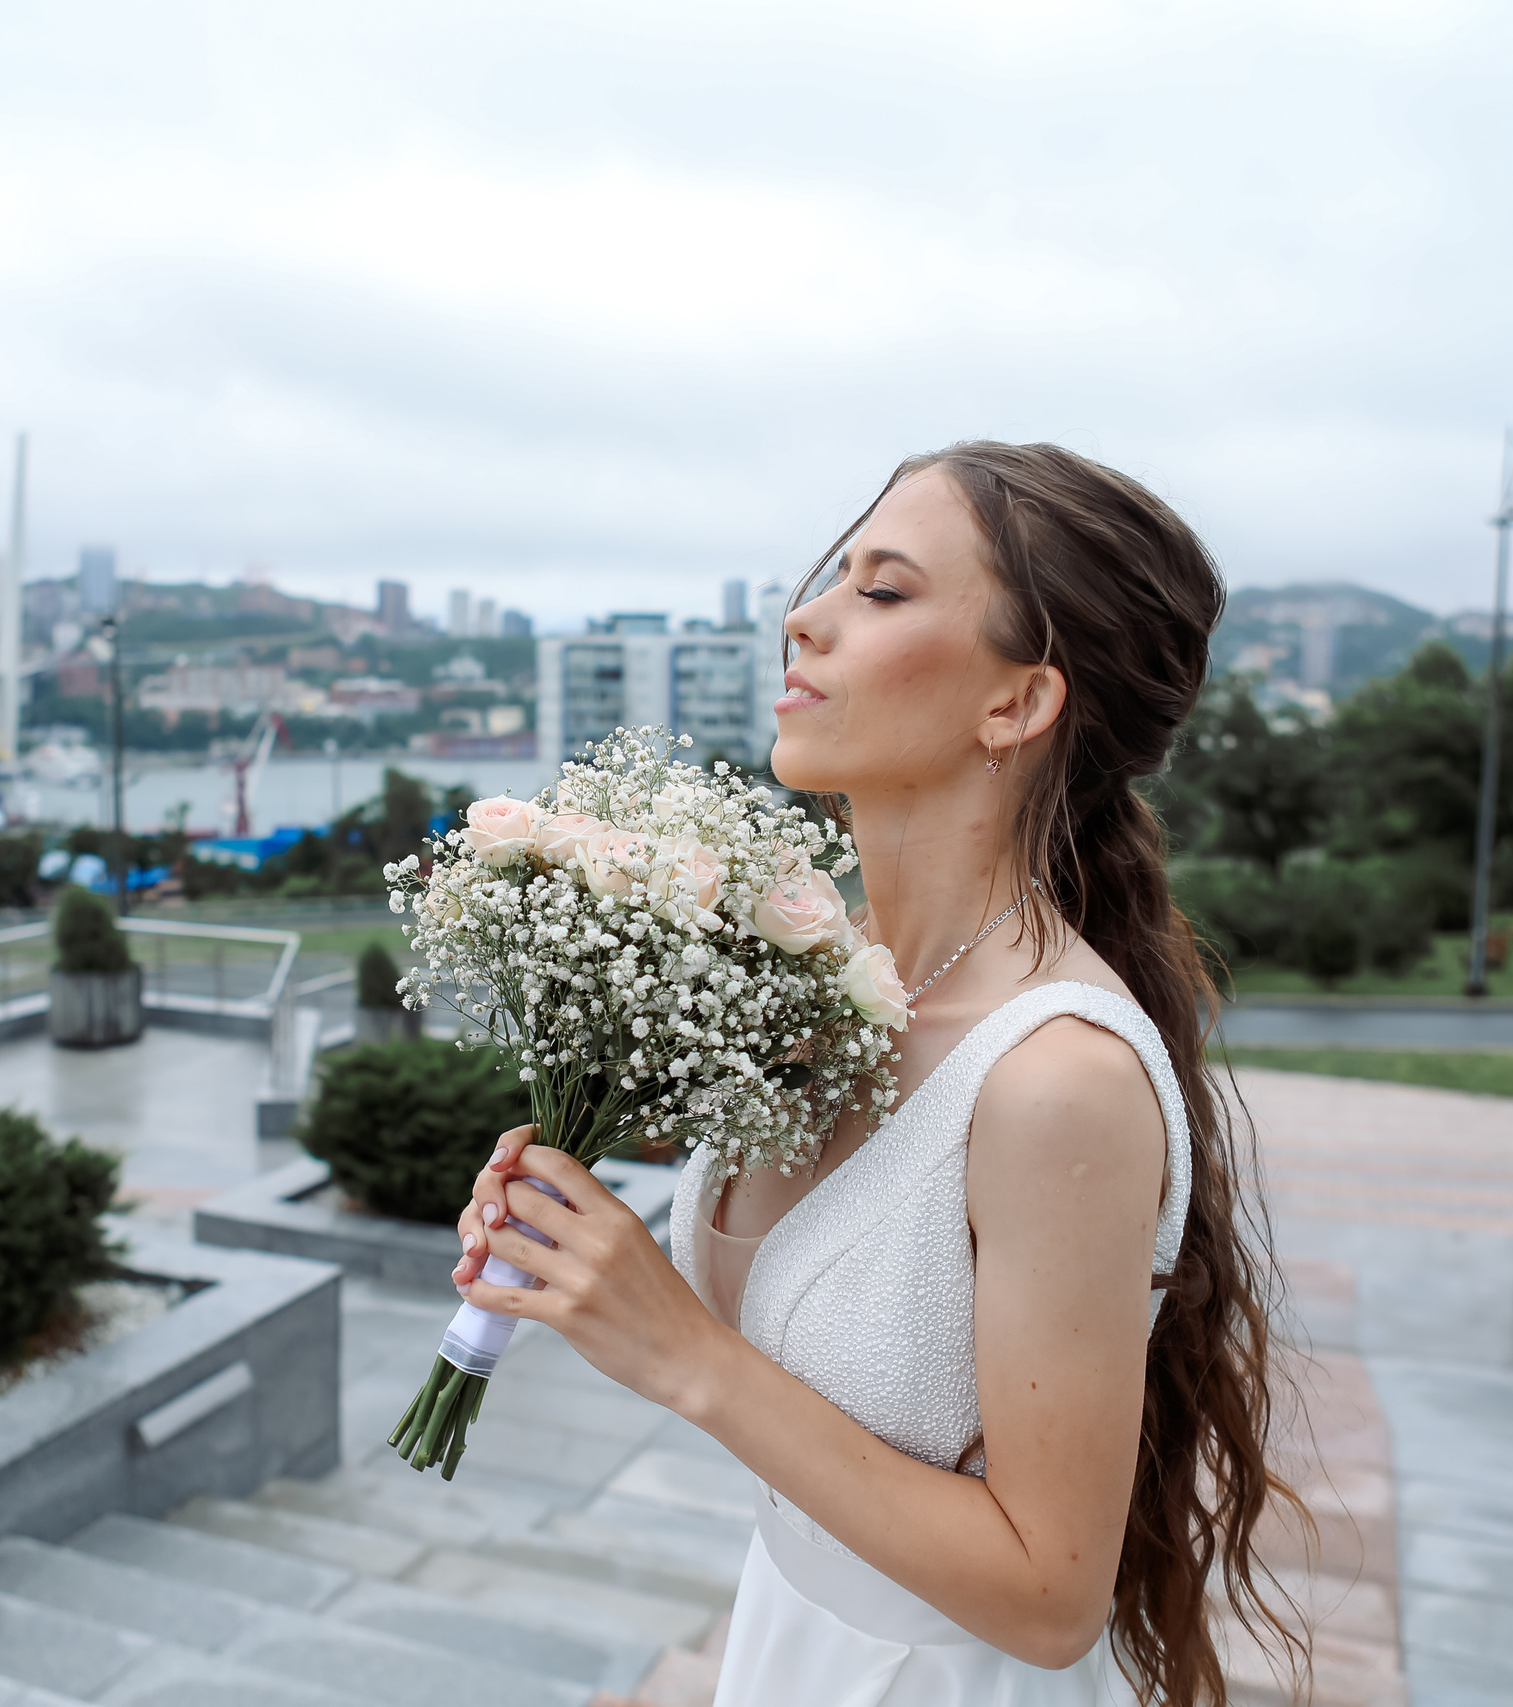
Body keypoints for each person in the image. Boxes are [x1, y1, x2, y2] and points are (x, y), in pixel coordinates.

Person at [452, 441, 1303, 1705]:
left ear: (1015, 704)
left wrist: (682, 1350)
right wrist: (579, 1255)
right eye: (834, 578)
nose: (804, 617)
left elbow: (1053, 1596)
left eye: (884, 592)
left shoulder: (1054, 1078)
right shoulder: (827, 980)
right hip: (790, 1639)